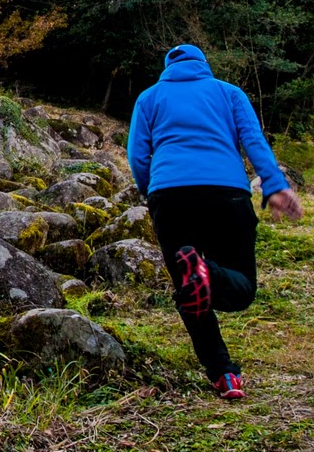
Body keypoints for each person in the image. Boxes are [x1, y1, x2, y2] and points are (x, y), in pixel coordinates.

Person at [126, 44, 302, 400]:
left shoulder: (149, 98)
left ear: (166, 68)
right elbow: (253, 141)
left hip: (170, 198)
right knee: (242, 289)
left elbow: (137, 155)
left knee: (191, 294)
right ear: (204, 65)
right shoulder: (229, 93)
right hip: (227, 195)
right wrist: (275, 185)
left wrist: (152, 192)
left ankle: (223, 375)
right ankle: (208, 272)